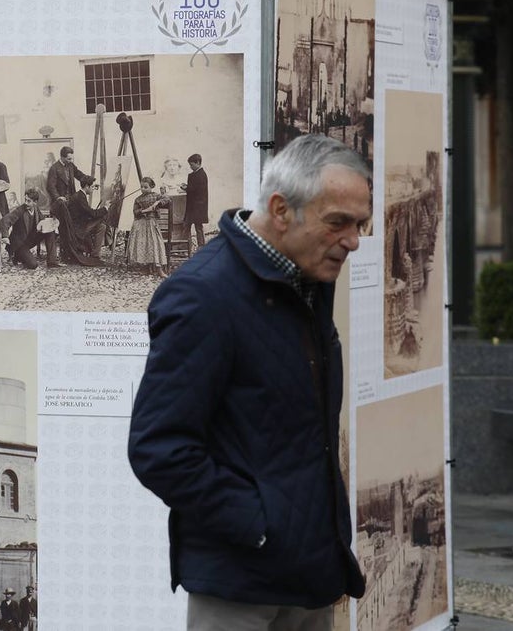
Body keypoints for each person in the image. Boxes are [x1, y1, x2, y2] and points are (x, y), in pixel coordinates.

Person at [128, 134, 370, 630]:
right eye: (338, 223)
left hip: (311, 572)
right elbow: (159, 447)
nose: (354, 241)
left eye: (360, 224)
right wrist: (257, 526)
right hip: (239, 585)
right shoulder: (203, 295)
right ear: (281, 210)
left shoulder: (308, 277)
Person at [46, 146, 97, 263]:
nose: (70, 161)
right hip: (60, 204)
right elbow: (51, 186)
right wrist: (58, 197)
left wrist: (92, 181)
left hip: (71, 202)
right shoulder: (54, 168)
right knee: (64, 228)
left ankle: (76, 251)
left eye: (71, 159)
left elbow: (80, 175)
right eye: (68, 159)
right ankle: (65, 254)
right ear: (62, 157)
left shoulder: (70, 165)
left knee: (75, 225)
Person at [0, 188, 61, 270]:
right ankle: (17, 255)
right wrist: (5, 236)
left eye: (29, 201)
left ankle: (52, 262)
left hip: (30, 239)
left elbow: (43, 221)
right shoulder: (20, 210)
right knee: (33, 265)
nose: (26, 203)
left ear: (35, 202)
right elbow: (5, 220)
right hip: (19, 243)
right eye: (25, 200)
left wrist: (52, 225)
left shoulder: (36, 209)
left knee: (50, 232)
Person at [129, 176, 169, 278]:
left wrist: (157, 202)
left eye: (146, 187)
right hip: (141, 224)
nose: (143, 189)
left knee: (156, 245)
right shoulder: (138, 199)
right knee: (144, 245)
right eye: (142, 187)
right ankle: (145, 268)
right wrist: (146, 210)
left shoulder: (156, 196)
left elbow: (167, 199)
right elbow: (135, 212)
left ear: (151, 187)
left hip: (152, 223)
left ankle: (159, 270)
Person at [69, 176, 109, 258]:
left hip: (80, 225)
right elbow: (92, 213)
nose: (93, 189)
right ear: (87, 186)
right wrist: (105, 208)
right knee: (101, 219)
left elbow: (87, 212)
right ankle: (96, 253)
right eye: (92, 187)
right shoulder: (80, 197)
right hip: (78, 228)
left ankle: (95, 254)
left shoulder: (79, 195)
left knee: (102, 227)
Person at [180, 153, 209, 255]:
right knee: (188, 226)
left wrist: (186, 188)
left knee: (197, 227)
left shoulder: (201, 175)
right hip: (193, 206)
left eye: (191, 165)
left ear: (197, 163)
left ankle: (200, 247)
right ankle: (183, 247)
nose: (190, 167)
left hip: (197, 207)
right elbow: (194, 189)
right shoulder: (196, 174)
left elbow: (197, 191)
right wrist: (187, 187)